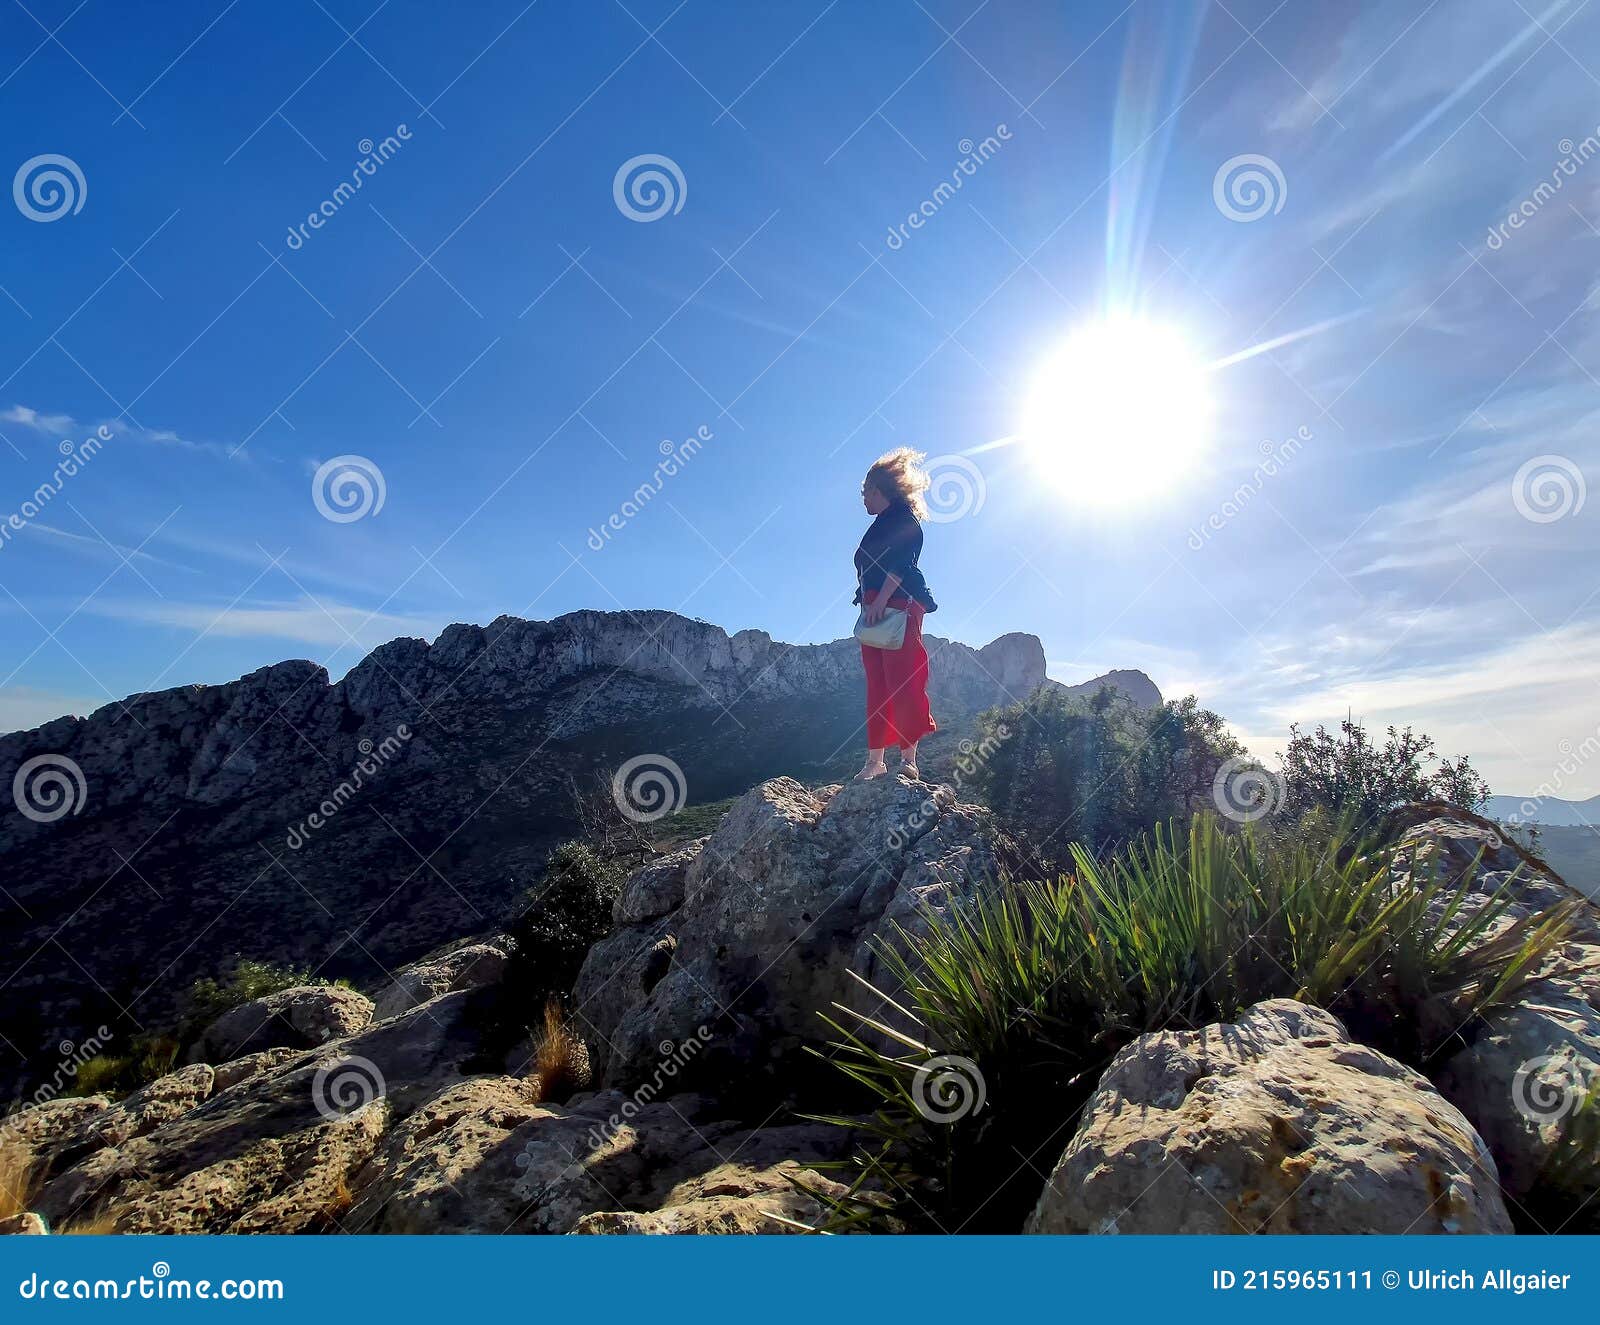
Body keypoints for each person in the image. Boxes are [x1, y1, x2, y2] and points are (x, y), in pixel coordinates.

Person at [854, 447, 939, 781]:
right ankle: (875, 762)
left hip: (898, 605)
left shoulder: (906, 521)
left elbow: (902, 564)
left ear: (879, 490)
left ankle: (908, 759)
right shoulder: (878, 526)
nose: (863, 500)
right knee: (877, 685)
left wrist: (880, 601)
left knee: (904, 680)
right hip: (874, 609)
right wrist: (866, 601)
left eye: (866, 493)